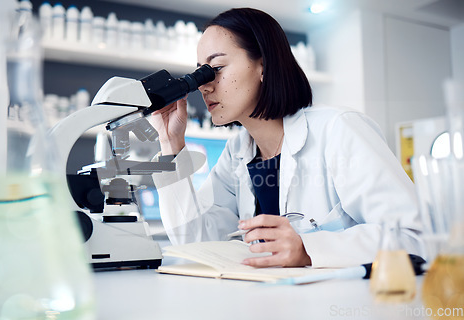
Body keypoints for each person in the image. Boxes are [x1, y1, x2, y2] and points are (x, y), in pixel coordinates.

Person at [150, 7, 423, 268]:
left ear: (263, 66)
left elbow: (413, 236)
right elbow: (195, 241)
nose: (205, 86)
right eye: (200, 73)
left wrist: (308, 249)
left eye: (216, 68)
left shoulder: (339, 130)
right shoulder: (237, 151)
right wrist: (171, 145)